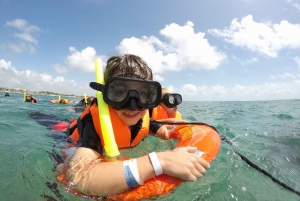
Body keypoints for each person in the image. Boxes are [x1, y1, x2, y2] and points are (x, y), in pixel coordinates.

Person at [65, 54, 210, 196]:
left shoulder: (143, 116)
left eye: (143, 94)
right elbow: (78, 177)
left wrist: (160, 128)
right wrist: (160, 161)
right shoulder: (95, 123)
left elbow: (150, 123)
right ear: (106, 94)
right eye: (120, 92)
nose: (133, 106)